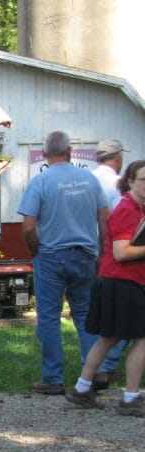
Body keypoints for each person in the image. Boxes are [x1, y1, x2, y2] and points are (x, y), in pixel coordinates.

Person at [18, 131, 110, 395]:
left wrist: (37, 250)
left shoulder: (40, 182)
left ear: (45, 154)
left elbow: (27, 228)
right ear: (69, 151)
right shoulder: (89, 179)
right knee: (85, 315)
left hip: (51, 255)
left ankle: (53, 378)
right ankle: (94, 373)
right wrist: (102, 252)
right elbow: (104, 218)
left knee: (48, 316)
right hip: (84, 254)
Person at [65, 159, 145, 417]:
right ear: (130, 181)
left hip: (119, 281)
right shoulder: (127, 210)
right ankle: (130, 398)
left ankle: (82, 388)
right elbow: (122, 252)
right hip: (123, 282)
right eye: (143, 179)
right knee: (142, 338)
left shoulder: (137, 209)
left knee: (109, 337)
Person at [90, 138, 130, 387]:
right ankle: (107, 364)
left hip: (86, 247)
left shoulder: (89, 178)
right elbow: (116, 220)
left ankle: (94, 364)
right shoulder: (118, 184)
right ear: (118, 157)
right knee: (127, 310)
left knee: (95, 310)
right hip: (113, 250)